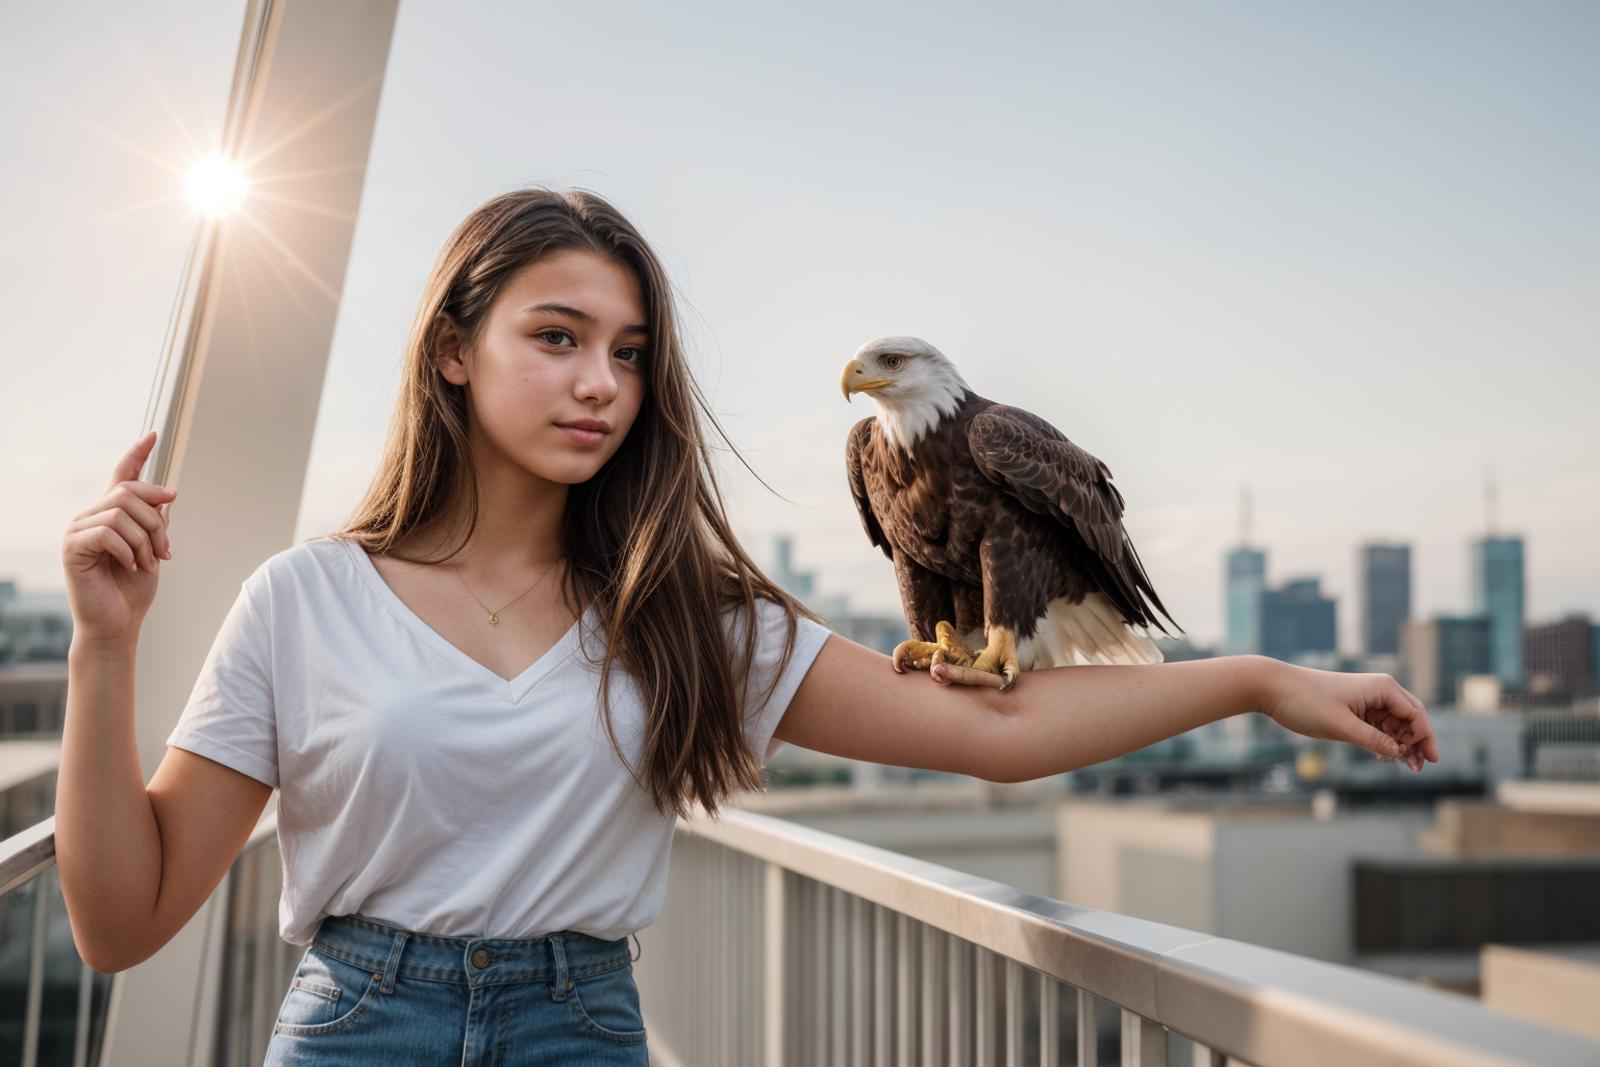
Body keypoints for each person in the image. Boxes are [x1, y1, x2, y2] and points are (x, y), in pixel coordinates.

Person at [54, 187, 1438, 1066]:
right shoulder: (304, 600)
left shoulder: (686, 617)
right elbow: (122, 923)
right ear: (452, 352)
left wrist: (1254, 682)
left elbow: (995, 735)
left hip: (580, 1033)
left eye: (632, 352)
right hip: (358, 1031)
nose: (603, 382)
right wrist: (106, 646)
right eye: (558, 337)